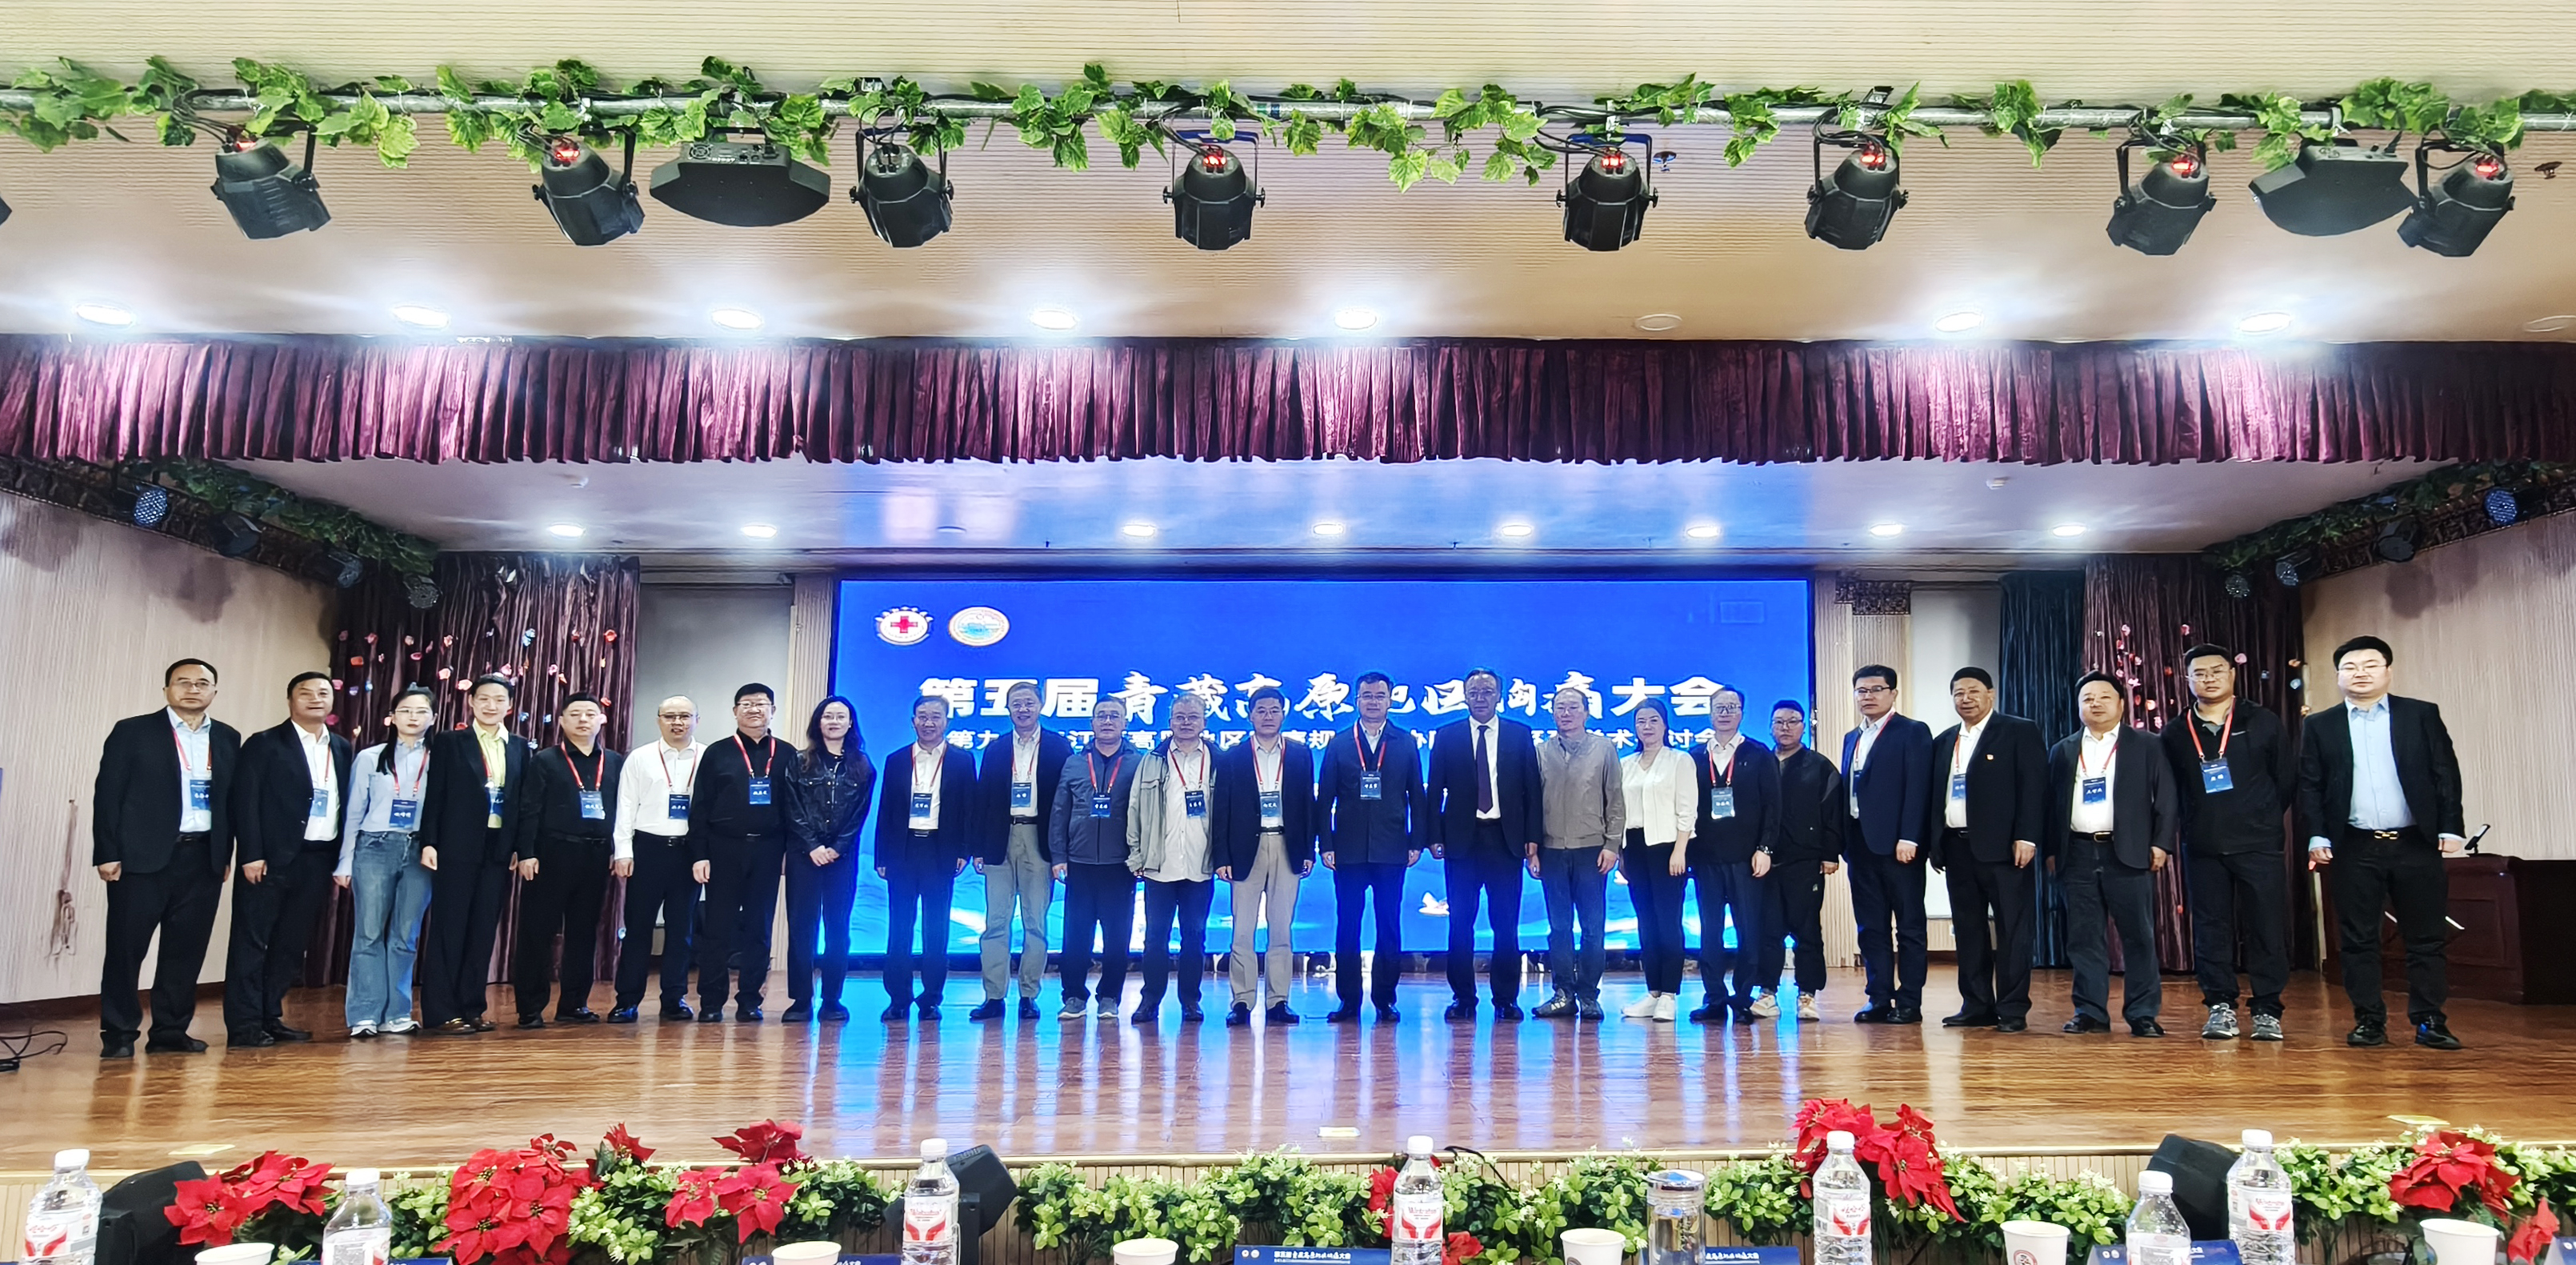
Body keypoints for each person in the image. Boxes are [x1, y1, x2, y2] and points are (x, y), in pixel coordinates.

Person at [2296, 635, 2467, 1051]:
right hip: (2354, 846)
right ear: (2338, 676)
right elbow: (2311, 784)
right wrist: (2317, 833)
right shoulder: (2320, 725)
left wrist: (2450, 826)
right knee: (2358, 939)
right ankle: (2369, 1020)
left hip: (2416, 843)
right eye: (2350, 667)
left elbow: (2445, 771)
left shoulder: (2420, 714)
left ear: (2388, 671)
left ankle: (2430, 1020)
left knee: (2426, 937)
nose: (2360, 673)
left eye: (2371, 665)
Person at [94, 658, 240, 1059]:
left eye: (202, 683)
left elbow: (231, 802)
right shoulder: (133, 731)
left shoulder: (228, 737)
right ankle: (119, 1035)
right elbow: (108, 795)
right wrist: (107, 852)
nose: (193, 689)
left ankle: (170, 1032)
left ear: (214, 692)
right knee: (126, 951)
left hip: (203, 859)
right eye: (183, 682)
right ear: (166, 690)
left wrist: (224, 853)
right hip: (140, 861)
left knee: (185, 951)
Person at [2162, 645, 2297, 1043]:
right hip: (2204, 846)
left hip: (2259, 844)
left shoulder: (2262, 720)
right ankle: (2220, 1005)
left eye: (2216, 671)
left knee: (2266, 927)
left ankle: (2268, 1009)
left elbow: (2285, 780)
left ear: (2232, 674)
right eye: (2199, 673)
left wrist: (2262, 818)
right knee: (2210, 929)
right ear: (2187, 680)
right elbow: (2172, 791)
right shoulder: (2175, 731)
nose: (2208, 679)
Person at [221, 671, 354, 1047]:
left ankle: (270, 1016)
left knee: (291, 944)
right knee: (252, 942)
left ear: (332, 701)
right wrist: (251, 853)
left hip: (318, 858)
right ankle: (245, 1026)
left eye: (323, 692)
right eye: (305, 692)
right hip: (270, 860)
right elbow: (245, 801)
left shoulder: (342, 747)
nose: (315, 698)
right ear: (290, 700)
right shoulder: (264, 743)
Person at [2046, 671, 2178, 1037]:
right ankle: (2090, 1012)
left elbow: (2167, 797)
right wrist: (2053, 850)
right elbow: (2051, 805)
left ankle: (2142, 1013)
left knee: (2139, 936)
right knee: (2084, 938)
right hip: (2077, 853)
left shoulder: (2147, 745)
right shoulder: (2063, 749)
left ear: (2121, 704)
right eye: (2087, 699)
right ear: (2078, 707)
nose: (2096, 704)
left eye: (2104, 697)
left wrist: (2161, 843)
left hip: (2130, 853)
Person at [1926, 668, 2047, 1034]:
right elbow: (1936, 796)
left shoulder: (2018, 731)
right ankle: (1977, 1004)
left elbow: (2034, 787)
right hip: (1957, 848)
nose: (1966, 699)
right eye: (1958, 693)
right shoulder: (1945, 740)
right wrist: (1935, 843)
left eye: (1974, 691)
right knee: (1968, 930)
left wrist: (2027, 836)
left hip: (2006, 851)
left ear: (1991, 694)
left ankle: (2012, 1008)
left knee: (2013, 930)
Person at [1426, 668, 1544, 1022]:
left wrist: (1533, 838)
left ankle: (1506, 999)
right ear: (1465, 696)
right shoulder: (1447, 736)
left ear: (1499, 696)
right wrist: (1433, 836)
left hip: (1505, 841)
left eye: (1488, 691)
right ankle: (1463, 997)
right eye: (1474, 692)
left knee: (1506, 925)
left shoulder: (1519, 734)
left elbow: (1532, 791)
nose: (1481, 697)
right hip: (1462, 841)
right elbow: (1435, 791)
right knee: (1460, 924)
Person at [420, 674, 533, 1035]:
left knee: (483, 931)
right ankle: (441, 1012)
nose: (490, 705)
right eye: (483, 698)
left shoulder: (519, 747)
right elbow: (435, 795)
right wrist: (429, 842)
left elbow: (522, 803)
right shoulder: (451, 742)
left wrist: (520, 848)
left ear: (510, 706)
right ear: (471, 702)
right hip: (456, 846)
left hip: (498, 850)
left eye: (499, 700)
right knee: (449, 928)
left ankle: (472, 1007)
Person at [508, 695, 624, 1028]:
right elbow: (529, 808)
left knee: (584, 933)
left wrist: (618, 850)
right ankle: (530, 1009)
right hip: (551, 854)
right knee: (537, 932)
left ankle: (574, 1004)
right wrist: (527, 852)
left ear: (602, 720)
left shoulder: (615, 762)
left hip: (597, 856)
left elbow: (623, 810)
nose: (583, 720)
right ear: (561, 721)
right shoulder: (545, 759)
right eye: (575, 714)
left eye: (590, 714)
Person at [1317, 672, 1425, 1023]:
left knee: (1389, 925)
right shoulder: (1339, 743)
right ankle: (1348, 1001)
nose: (1373, 701)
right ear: (1357, 701)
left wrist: (1416, 841)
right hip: (1347, 851)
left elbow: (1417, 796)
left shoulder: (1405, 742)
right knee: (1347, 926)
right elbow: (1325, 799)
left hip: (1392, 849)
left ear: (1390, 701)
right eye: (1367, 696)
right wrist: (1326, 843)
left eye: (1380, 696)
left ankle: (1385, 1000)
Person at [336, 687, 437, 1038]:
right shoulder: (371, 757)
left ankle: (397, 1013)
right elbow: (353, 812)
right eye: (405, 710)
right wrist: (345, 862)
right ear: (392, 717)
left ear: (432, 719)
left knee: (405, 936)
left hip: (421, 850)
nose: (413, 717)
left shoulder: (439, 758)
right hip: (375, 846)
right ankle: (364, 1014)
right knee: (368, 933)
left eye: (421, 711)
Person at [1214, 685, 1315, 1026]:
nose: (1268, 716)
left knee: (1281, 928)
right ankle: (1242, 1001)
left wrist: (1308, 849)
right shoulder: (1233, 756)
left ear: (1284, 715)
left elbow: (1308, 804)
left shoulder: (1300, 754)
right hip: (1245, 850)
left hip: (1287, 845)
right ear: (1250, 715)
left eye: (1274, 710)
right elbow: (1222, 810)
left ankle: (1278, 1001)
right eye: (1261, 710)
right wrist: (1221, 856)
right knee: (1242, 929)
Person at [690, 683, 790, 1023]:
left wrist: (788, 853)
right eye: (746, 704)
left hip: (769, 849)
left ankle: (750, 1000)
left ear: (772, 711)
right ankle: (711, 1002)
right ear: (735, 711)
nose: (754, 710)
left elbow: (794, 809)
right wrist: (700, 854)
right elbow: (700, 806)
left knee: (759, 929)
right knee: (717, 928)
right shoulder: (717, 753)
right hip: (724, 848)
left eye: (761, 704)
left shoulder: (787, 754)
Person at [970, 681, 1069, 1022]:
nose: (1023, 709)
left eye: (1029, 703)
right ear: (1008, 709)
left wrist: (1060, 851)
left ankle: (1029, 994)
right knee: (995, 922)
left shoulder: (1058, 746)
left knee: (1035, 922)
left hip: (1039, 839)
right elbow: (982, 799)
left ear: (1041, 705)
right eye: (1016, 704)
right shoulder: (996, 748)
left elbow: (1065, 802)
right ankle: (994, 996)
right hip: (1000, 839)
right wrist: (978, 847)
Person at [1839, 664, 1933, 1024]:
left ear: (1893, 693)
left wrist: (1910, 836)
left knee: (1909, 928)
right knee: (1871, 928)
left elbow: (1918, 788)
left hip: (1899, 847)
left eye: (1876, 689)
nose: (1868, 696)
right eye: (1861, 691)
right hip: (1860, 845)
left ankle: (1909, 1002)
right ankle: (1878, 997)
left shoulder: (1912, 731)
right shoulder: (1852, 737)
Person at [874, 695, 976, 1020]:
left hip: (940, 851)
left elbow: (968, 809)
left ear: (947, 722)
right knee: (899, 928)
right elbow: (886, 809)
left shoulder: (962, 760)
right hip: (902, 851)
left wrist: (964, 850)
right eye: (922, 716)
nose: (929, 723)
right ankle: (898, 999)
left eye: (935, 716)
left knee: (936, 929)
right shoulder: (896, 760)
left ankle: (931, 998)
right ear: (913, 721)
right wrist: (881, 855)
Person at [1686, 686, 1780, 1024]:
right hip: (1706, 858)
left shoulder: (1759, 754)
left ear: (1742, 713)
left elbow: (1774, 807)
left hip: (1746, 859)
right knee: (1709, 931)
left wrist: (1765, 849)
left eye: (1732, 707)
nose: (1725, 713)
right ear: (1710, 713)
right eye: (1719, 708)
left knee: (1748, 931)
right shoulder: (1694, 756)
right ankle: (1714, 998)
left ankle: (1742, 998)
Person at [608, 696, 703, 1023]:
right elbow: (625, 806)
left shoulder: (708, 757)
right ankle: (626, 1000)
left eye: (685, 716)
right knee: (638, 928)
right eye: (670, 716)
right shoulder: (640, 757)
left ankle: (674, 999)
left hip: (688, 852)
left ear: (697, 720)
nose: (678, 722)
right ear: (658, 720)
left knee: (681, 930)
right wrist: (623, 851)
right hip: (646, 849)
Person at [1128, 693, 1221, 1023]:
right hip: (1159, 864)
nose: (1186, 723)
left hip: (1200, 864)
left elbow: (1229, 812)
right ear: (1170, 722)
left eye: (1193, 717)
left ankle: (1190, 1001)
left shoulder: (1218, 760)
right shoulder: (1152, 760)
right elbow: (1135, 808)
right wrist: (1136, 854)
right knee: (1155, 938)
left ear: (1204, 722)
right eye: (1180, 717)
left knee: (1194, 938)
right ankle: (1150, 1000)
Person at [1534, 684, 1623, 1020]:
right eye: (1560, 707)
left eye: (1573, 707)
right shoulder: (1541, 752)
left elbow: (1615, 800)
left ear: (1586, 712)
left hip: (1592, 851)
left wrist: (1612, 845)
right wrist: (1533, 849)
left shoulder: (1604, 749)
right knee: (1558, 928)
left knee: (1592, 928)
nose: (1566, 713)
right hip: (1551, 850)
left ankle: (1588, 995)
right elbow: (1532, 804)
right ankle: (1563, 994)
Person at [784, 695, 875, 1023]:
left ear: (850, 723)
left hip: (842, 858)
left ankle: (833, 999)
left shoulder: (862, 765)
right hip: (803, 856)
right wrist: (812, 846)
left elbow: (860, 814)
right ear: (818, 723)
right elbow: (792, 808)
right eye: (827, 716)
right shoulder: (799, 761)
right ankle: (800, 1000)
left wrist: (837, 848)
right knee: (802, 928)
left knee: (838, 929)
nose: (834, 722)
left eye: (840, 716)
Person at [1052, 697, 1143, 1019]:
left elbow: (1147, 814)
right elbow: (1060, 811)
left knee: (1117, 937)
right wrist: (1058, 855)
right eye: (1101, 716)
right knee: (1076, 936)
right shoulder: (1074, 763)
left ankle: (1110, 997)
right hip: (1079, 862)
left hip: (1121, 864)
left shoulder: (1139, 763)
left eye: (1114, 716)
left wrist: (1142, 856)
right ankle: (1074, 997)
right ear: (1092, 723)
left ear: (1125, 723)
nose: (1107, 721)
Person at [1761, 701, 1844, 1022]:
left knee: (1807, 928)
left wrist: (1830, 853)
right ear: (1770, 726)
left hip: (1805, 860)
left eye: (1792, 722)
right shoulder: (1761, 762)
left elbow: (1833, 813)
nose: (1785, 728)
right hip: (1765, 861)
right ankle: (1767, 993)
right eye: (1779, 722)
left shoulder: (1819, 766)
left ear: (1804, 726)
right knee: (1768, 929)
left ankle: (1807, 994)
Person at [1617, 699, 1684, 1021]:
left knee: (1668, 921)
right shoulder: (1626, 764)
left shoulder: (1679, 760)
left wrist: (1680, 850)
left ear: (1665, 725)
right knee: (1646, 921)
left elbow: (1687, 809)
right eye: (1641, 721)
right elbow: (1618, 811)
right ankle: (1653, 990)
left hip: (1668, 847)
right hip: (1634, 848)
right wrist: (1620, 853)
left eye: (1654, 720)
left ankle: (1670, 994)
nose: (1647, 727)